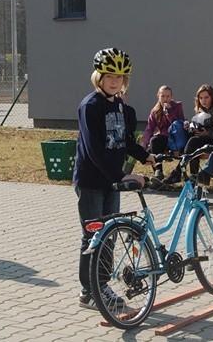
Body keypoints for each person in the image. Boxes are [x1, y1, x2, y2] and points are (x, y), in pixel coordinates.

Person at [73, 47, 155, 309]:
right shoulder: (90, 106)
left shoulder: (119, 104)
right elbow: (94, 150)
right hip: (92, 182)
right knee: (93, 238)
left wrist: (144, 156)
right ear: (99, 76)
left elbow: (123, 140)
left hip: (112, 183)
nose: (114, 81)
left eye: (119, 78)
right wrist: (122, 175)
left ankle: (102, 285)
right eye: (109, 76)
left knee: (109, 235)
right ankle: (89, 292)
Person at [163, 84, 213, 184]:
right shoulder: (200, 111)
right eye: (201, 98)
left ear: (212, 97)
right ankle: (193, 177)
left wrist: (208, 132)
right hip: (199, 139)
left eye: (206, 97)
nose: (204, 100)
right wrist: (190, 127)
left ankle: (178, 173)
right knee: (193, 145)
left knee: (193, 142)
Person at [140, 85, 185, 181]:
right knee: (150, 147)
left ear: (171, 97)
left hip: (175, 138)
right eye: (163, 96)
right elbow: (150, 128)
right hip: (163, 138)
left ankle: (173, 175)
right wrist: (144, 142)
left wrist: (169, 112)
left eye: (168, 96)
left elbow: (177, 124)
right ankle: (158, 172)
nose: (165, 99)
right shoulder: (155, 111)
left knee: (155, 142)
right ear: (158, 96)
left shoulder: (177, 106)